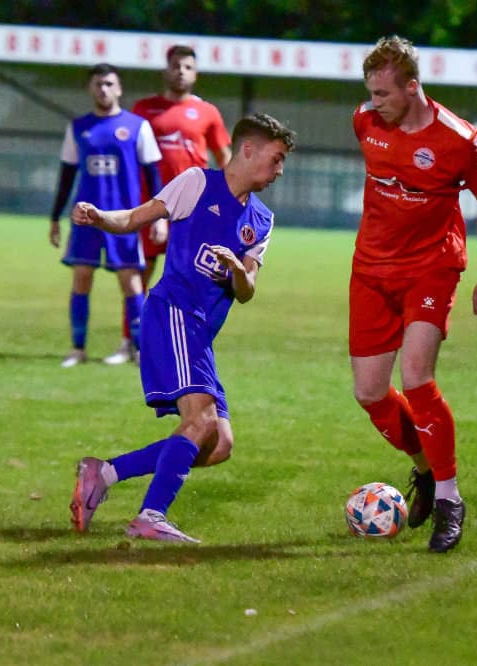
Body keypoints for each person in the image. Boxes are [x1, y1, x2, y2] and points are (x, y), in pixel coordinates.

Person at [68, 112, 296, 543]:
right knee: (201, 419)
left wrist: (237, 271)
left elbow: (247, 291)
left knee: (219, 444)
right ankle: (150, 516)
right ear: (248, 149)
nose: (279, 170)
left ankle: (105, 472)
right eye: (276, 158)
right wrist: (99, 217)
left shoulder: (261, 219)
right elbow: (134, 218)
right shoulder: (197, 183)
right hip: (172, 311)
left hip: (200, 334)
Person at [350, 36, 477, 553]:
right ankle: (424, 468)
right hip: (371, 270)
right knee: (370, 393)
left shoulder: (460, 139)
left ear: (412, 86)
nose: (373, 103)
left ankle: (449, 500)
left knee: (416, 377)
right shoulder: (365, 123)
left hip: (431, 268)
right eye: (370, 93)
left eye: (383, 93)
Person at [103, 44, 233, 366]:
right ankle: (130, 342)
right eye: (176, 65)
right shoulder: (144, 109)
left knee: (191, 277)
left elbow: (225, 158)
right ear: (166, 70)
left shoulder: (207, 112)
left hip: (193, 211)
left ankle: (185, 342)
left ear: (196, 73)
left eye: (187, 67)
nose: (181, 72)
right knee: (139, 275)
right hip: (150, 207)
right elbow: (127, 155)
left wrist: (228, 200)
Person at [48, 63, 163, 368]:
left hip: (123, 219)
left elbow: (154, 176)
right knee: (81, 278)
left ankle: (139, 350)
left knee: (132, 282)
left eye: (109, 84)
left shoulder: (137, 127)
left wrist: (159, 217)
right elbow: (66, 176)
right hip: (85, 219)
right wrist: (55, 218)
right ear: (90, 88)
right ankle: (78, 349)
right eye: (98, 84)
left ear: (119, 88)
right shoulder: (78, 127)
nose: (104, 89)